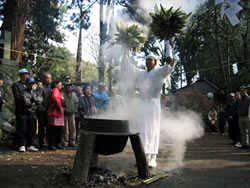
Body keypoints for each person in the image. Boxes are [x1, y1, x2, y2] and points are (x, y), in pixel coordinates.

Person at [121, 53, 175, 168]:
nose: (147, 62)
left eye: (150, 60)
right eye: (146, 60)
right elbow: (129, 66)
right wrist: (125, 49)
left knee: (152, 130)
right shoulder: (141, 73)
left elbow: (170, 64)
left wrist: (170, 49)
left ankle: (152, 158)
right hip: (142, 104)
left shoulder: (159, 72)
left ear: (155, 62)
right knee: (142, 130)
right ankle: (142, 157)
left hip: (153, 105)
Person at [20, 77, 42, 152]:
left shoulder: (35, 92)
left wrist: (33, 99)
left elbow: (40, 100)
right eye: (30, 84)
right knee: (23, 129)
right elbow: (26, 102)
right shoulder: (23, 92)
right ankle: (22, 144)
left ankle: (31, 144)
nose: (31, 85)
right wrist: (33, 100)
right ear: (26, 84)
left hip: (33, 112)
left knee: (32, 129)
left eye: (33, 84)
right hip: (24, 113)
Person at [12, 68, 30, 151]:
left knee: (29, 127)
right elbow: (17, 97)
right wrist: (25, 99)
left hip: (29, 110)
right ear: (20, 76)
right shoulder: (16, 85)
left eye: (27, 74)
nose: (26, 76)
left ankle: (28, 143)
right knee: (21, 127)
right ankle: (21, 144)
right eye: (24, 75)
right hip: (21, 110)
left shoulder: (29, 85)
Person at [36, 72, 52, 150]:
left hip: (49, 111)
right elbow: (38, 100)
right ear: (43, 79)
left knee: (49, 128)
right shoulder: (40, 87)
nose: (49, 80)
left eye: (50, 78)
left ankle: (48, 143)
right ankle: (41, 143)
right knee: (42, 128)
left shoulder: (50, 88)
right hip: (42, 111)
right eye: (47, 78)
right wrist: (42, 109)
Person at [47, 80, 64, 150]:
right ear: (56, 84)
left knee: (58, 129)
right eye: (60, 84)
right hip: (55, 112)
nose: (61, 86)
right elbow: (55, 98)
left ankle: (57, 143)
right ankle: (52, 144)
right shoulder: (55, 90)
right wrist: (59, 107)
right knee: (53, 129)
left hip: (58, 113)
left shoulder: (58, 91)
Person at [62, 82, 78, 147]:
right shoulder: (62, 94)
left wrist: (75, 109)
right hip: (65, 114)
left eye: (70, 86)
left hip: (72, 113)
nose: (69, 87)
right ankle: (65, 142)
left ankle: (72, 142)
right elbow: (61, 103)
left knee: (73, 129)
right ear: (65, 87)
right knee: (66, 129)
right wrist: (64, 109)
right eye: (68, 86)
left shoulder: (74, 94)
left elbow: (76, 102)